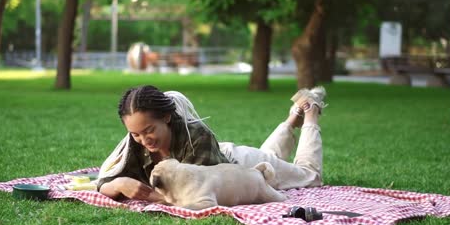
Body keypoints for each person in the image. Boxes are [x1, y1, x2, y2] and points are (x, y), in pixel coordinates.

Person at [97, 85, 326, 202]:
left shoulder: (197, 137)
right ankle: (291, 119)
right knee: (270, 158)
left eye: (149, 131)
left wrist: (145, 194)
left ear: (166, 117)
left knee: (310, 176)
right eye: (135, 134)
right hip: (226, 159)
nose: (143, 140)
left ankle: (311, 112)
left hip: (242, 166)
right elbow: (104, 184)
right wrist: (119, 184)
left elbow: (196, 196)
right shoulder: (135, 144)